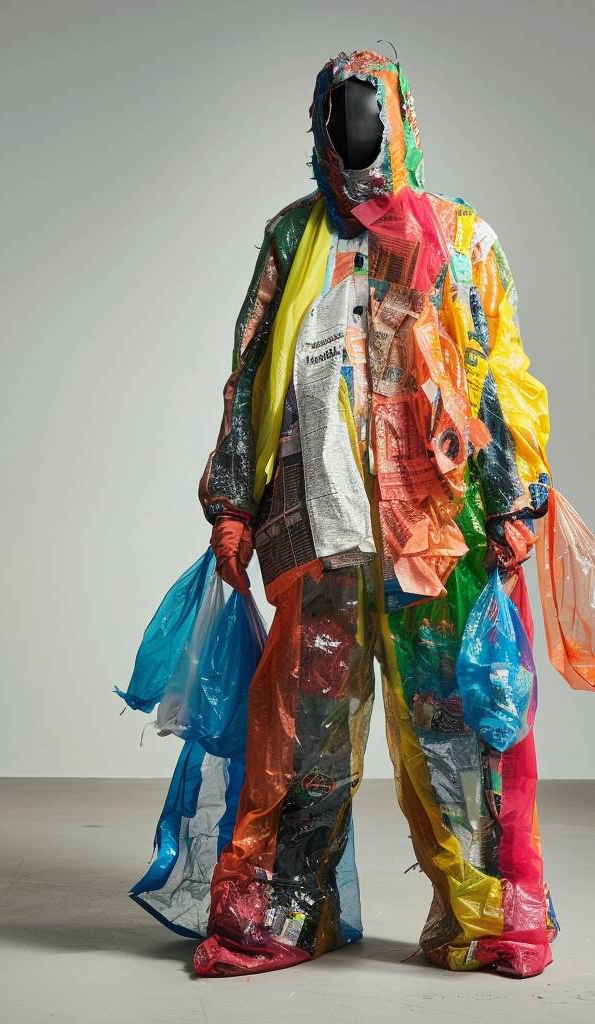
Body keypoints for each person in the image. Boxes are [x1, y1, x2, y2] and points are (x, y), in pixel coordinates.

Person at [194, 48, 557, 978]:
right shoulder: (290, 239)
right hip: (319, 534)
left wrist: (515, 499)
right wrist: (232, 502)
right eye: (340, 115)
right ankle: (287, 911)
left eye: (372, 114)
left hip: (438, 535)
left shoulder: (462, 238)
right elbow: (250, 372)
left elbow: (498, 372)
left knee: (454, 731)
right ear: (319, 123)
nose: (356, 133)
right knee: (305, 735)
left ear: (401, 121)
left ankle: (483, 915)